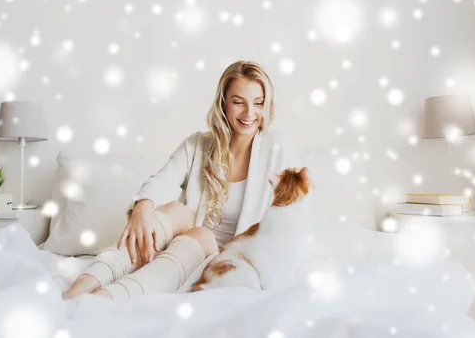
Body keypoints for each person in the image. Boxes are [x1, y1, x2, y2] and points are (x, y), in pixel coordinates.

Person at [62, 60, 302, 300]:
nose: (249, 113)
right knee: (177, 210)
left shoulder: (277, 148)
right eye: (238, 102)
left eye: (258, 103)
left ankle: (108, 296)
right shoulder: (198, 144)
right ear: (224, 104)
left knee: (202, 234)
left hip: (225, 264)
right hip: (181, 249)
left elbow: (294, 212)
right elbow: (161, 180)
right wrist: (142, 208)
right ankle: (84, 284)